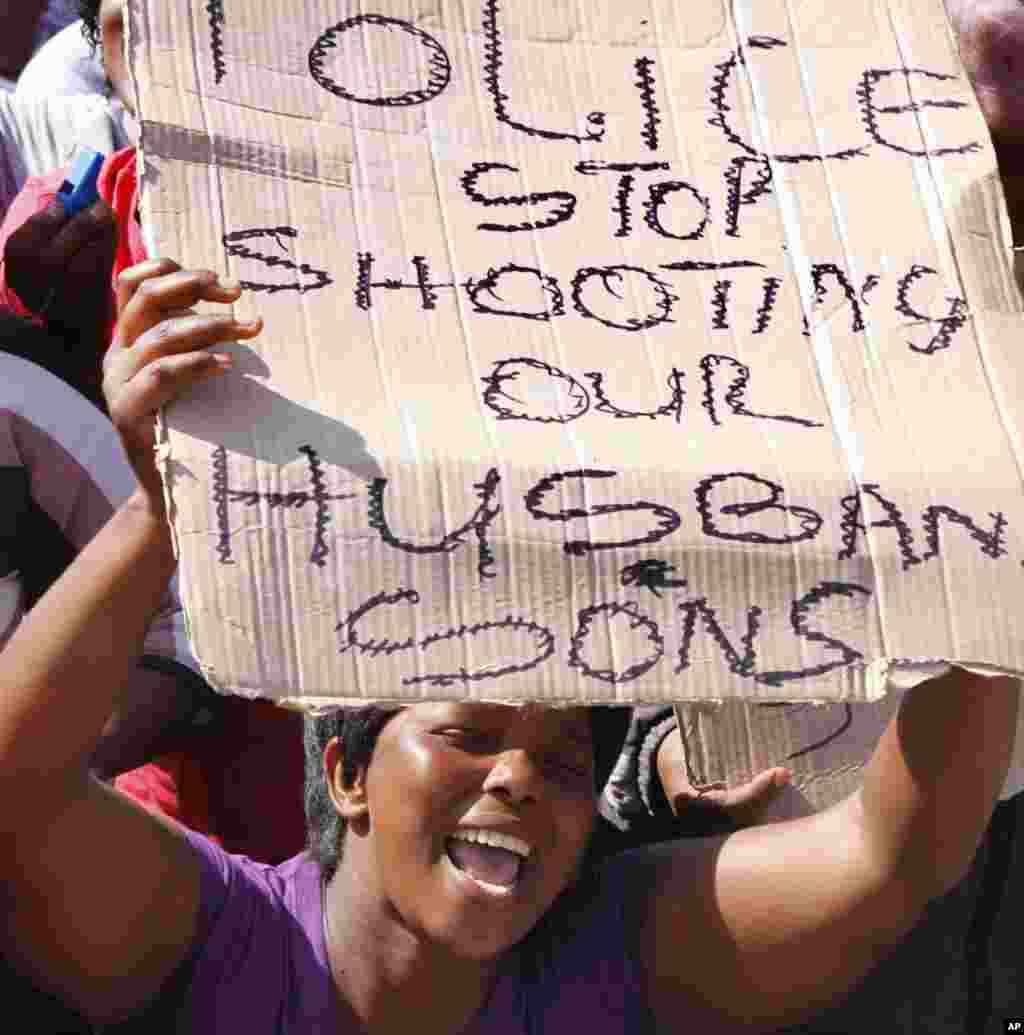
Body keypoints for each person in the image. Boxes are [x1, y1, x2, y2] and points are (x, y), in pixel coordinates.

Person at [0, 257, 1017, 1033]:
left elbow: (894, 854)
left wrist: (980, 503)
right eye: (468, 733)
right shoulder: (219, 938)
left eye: (568, 760)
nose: (522, 778)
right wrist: (159, 511)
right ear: (347, 770)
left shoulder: (614, 951)